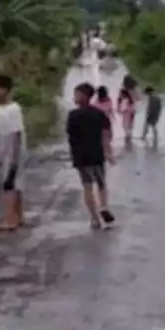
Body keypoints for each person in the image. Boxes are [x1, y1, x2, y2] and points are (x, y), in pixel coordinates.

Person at [67, 82, 116, 229]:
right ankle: (103, 207)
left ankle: (94, 218)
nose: (75, 97)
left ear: (84, 96)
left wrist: (73, 154)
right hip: (96, 154)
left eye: (76, 94)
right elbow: (106, 134)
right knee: (101, 183)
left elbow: (71, 137)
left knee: (87, 186)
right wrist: (108, 152)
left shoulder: (73, 115)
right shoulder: (99, 114)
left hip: (81, 156)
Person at [0, 75, 27, 232]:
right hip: (4, 152)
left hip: (13, 152)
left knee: (9, 185)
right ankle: (18, 216)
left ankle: (10, 219)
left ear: (5, 90)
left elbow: (17, 134)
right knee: (15, 184)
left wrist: (15, 158)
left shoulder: (14, 109)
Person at [117, 80, 137, 146]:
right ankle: (128, 137)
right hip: (130, 112)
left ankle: (127, 138)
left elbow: (121, 102)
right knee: (128, 125)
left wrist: (120, 110)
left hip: (128, 113)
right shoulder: (130, 93)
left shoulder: (126, 96)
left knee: (126, 125)